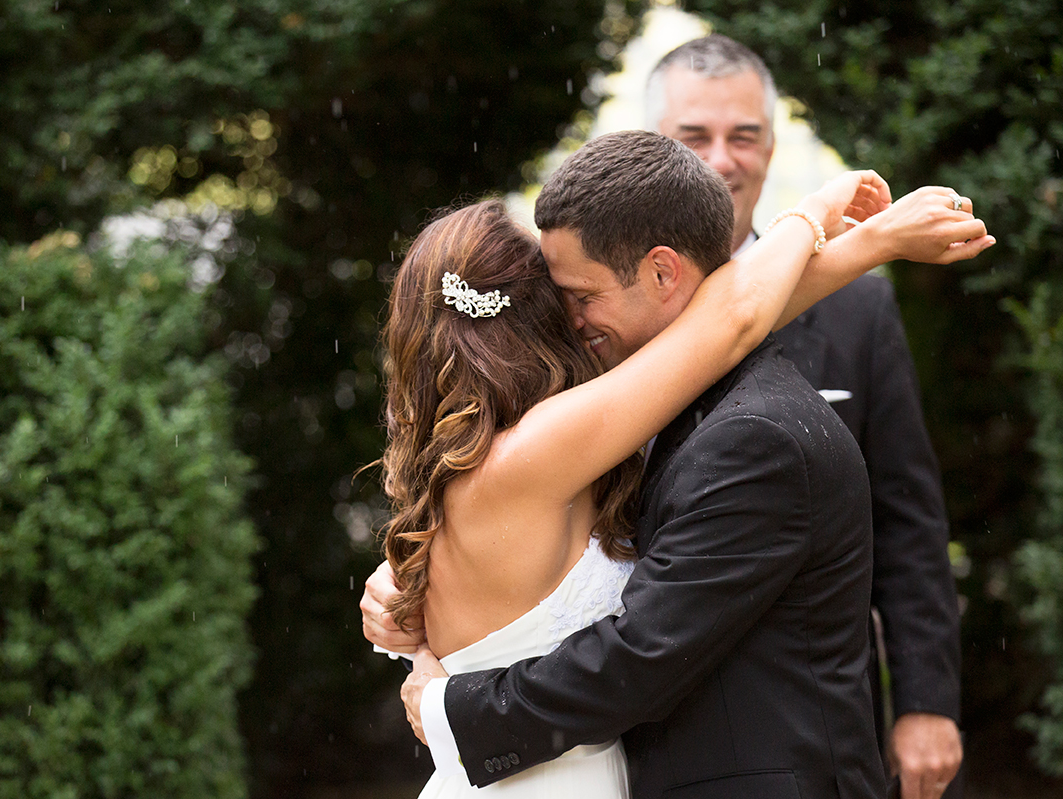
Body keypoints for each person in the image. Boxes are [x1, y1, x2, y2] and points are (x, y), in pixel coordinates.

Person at [365, 130, 993, 799]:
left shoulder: (559, 445)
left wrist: (868, 240)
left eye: (580, 297)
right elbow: (724, 324)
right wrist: (820, 216)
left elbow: (714, 332)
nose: (577, 323)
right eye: (564, 302)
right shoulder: (543, 447)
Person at [647, 35, 964, 799]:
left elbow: (907, 514)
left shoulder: (858, 304)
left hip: (816, 726)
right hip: (647, 700)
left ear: (771, 144)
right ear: (654, 147)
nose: (723, 159)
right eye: (695, 137)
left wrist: (925, 699)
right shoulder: (612, 308)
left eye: (744, 135)